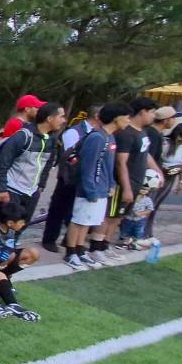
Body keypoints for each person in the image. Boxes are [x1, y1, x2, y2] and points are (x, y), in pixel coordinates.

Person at [86, 97, 164, 265]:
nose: (153, 117)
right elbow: (121, 162)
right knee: (109, 215)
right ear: (142, 112)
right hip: (122, 183)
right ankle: (95, 247)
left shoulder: (142, 132)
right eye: (152, 113)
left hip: (136, 182)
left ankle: (105, 245)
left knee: (118, 217)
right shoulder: (126, 133)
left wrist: (158, 171)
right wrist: (127, 187)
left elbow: (145, 154)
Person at [62, 103, 131, 270]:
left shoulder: (110, 137)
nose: (128, 121)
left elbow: (108, 165)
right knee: (79, 220)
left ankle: (80, 250)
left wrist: (111, 184)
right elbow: (88, 166)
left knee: (88, 221)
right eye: (127, 117)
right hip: (90, 189)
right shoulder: (97, 138)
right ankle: (70, 253)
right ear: (116, 118)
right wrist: (90, 190)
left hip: (102, 188)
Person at [0, 102, 66, 226]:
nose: (64, 120)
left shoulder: (51, 140)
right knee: (5, 226)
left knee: (22, 225)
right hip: (12, 188)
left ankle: (10, 244)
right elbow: (2, 163)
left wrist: (41, 186)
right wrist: (1, 189)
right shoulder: (23, 136)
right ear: (50, 118)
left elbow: (47, 165)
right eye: (61, 116)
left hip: (32, 191)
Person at [41, 106, 101, 253]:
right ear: (97, 115)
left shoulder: (99, 133)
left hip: (84, 178)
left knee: (77, 211)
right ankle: (49, 239)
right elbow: (70, 156)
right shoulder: (74, 132)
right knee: (59, 208)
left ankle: (70, 240)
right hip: (69, 178)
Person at [144, 120, 182, 240]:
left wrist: (181, 181)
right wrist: (175, 170)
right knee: (150, 203)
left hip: (171, 178)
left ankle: (147, 228)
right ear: (181, 136)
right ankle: (142, 230)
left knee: (157, 203)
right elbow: (159, 163)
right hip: (159, 177)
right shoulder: (166, 144)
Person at [0, 200, 40, 275]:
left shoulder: (11, 230)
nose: (23, 224)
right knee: (8, 255)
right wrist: (2, 254)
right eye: (21, 222)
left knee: (33, 253)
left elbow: (10, 246)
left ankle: (4, 276)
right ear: (10, 223)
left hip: (3, 259)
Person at [118, 179, 156, 249]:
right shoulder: (132, 197)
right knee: (126, 230)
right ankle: (126, 243)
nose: (144, 191)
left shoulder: (147, 200)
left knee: (138, 231)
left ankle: (135, 243)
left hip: (140, 219)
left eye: (146, 189)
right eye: (142, 189)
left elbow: (150, 209)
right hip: (128, 218)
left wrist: (141, 213)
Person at [144, 105, 178, 169]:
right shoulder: (153, 135)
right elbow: (149, 158)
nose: (175, 121)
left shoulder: (157, 133)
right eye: (173, 118)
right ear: (165, 121)